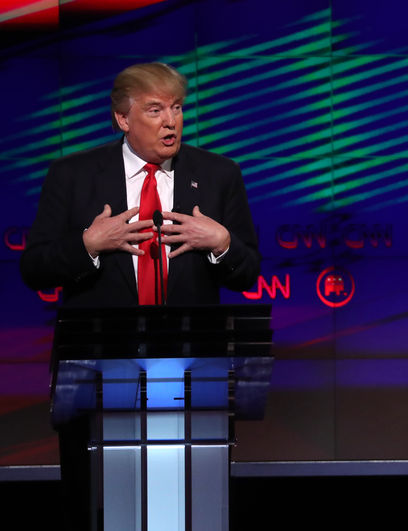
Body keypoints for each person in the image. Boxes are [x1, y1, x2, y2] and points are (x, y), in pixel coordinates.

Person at [19, 62, 261, 529]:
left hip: (191, 378)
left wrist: (222, 245)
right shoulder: (72, 175)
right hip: (96, 376)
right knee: (100, 506)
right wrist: (87, 246)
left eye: (177, 108)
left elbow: (248, 273)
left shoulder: (218, 175)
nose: (171, 121)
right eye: (155, 109)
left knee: (188, 506)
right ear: (122, 119)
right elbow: (34, 269)